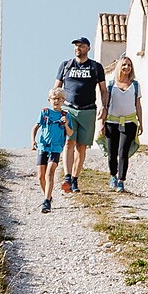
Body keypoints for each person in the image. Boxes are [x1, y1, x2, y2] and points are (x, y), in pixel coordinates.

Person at [56, 38, 106, 194]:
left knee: (81, 147)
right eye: (76, 46)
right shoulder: (65, 66)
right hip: (69, 109)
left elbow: (104, 90)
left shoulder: (95, 67)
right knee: (69, 143)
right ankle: (67, 177)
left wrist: (104, 107)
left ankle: (75, 179)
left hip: (88, 110)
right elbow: (56, 88)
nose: (78, 48)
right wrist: (55, 107)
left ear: (88, 48)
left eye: (81, 46)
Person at [99, 57, 144, 192]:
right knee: (112, 153)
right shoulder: (111, 85)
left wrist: (141, 123)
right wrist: (102, 123)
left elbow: (138, 105)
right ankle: (113, 175)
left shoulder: (135, 85)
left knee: (123, 152)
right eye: (124, 65)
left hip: (129, 122)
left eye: (129, 65)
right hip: (112, 122)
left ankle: (121, 180)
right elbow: (105, 106)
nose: (126, 67)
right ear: (119, 67)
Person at [31, 84, 71, 213]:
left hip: (56, 147)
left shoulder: (65, 115)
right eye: (54, 98)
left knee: (50, 173)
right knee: (40, 176)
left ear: (63, 101)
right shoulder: (45, 113)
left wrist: (65, 124)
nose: (57, 101)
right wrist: (33, 141)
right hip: (43, 146)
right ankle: (47, 195)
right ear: (49, 100)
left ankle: (46, 201)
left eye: (60, 99)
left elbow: (70, 133)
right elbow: (35, 127)